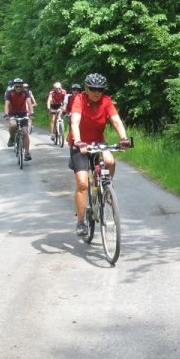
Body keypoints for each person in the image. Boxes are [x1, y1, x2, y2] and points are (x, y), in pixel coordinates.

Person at [68, 73, 130, 237]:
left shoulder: (106, 101)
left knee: (110, 161)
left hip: (98, 141)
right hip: (80, 143)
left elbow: (116, 120)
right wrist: (78, 141)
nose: (97, 92)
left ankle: (107, 188)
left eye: (100, 90)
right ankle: (81, 222)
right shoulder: (79, 99)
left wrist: (123, 138)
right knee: (83, 183)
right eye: (93, 89)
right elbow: (75, 121)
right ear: (86, 89)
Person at [3, 77, 33, 161]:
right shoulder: (9, 93)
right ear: (14, 86)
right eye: (17, 86)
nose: (19, 88)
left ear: (22, 86)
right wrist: (6, 114)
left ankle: (27, 153)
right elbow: (6, 104)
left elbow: (29, 103)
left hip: (23, 114)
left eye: (20, 86)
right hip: (12, 113)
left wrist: (31, 113)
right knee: (13, 125)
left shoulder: (25, 92)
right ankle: (12, 138)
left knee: (25, 133)